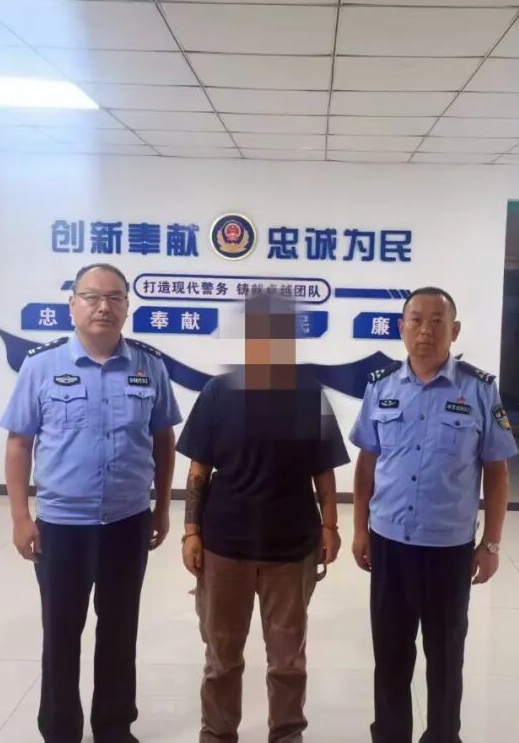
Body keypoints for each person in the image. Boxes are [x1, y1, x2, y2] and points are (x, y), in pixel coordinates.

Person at [0, 262, 181, 743]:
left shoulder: (149, 366)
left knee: (120, 630)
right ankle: (61, 731)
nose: (104, 306)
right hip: (62, 526)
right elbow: (19, 444)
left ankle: (114, 729)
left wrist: (163, 507)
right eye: (92, 296)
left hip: (127, 521)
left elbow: (163, 440)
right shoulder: (41, 366)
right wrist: (20, 518)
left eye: (115, 297)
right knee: (61, 633)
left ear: (127, 306)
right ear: (72, 305)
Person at [176, 293, 348, 743]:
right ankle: (217, 733)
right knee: (221, 658)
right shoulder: (218, 393)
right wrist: (191, 532)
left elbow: (323, 469)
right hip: (224, 545)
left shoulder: (309, 394)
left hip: (291, 547)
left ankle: (287, 733)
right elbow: (198, 469)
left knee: (288, 659)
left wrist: (330, 525)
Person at [349, 286, 517, 743]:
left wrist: (492, 543)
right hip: (389, 544)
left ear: (454, 330)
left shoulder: (479, 389)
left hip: (448, 548)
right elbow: (367, 464)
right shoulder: (380, 386)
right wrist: (360, 529)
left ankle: (443, 736)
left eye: (437, 321)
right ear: (401, 328)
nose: (425, 330)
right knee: (390, 656)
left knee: (445, 658)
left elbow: (497, 472)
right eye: (416, 320)